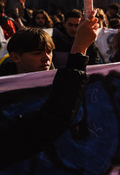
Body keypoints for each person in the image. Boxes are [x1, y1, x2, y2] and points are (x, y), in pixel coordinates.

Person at [0, 17, 98, 169]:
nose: (46, 58)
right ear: (15, 57)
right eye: (37, 53)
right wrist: (78, 49)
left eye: (49, 51)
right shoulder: (4, 95)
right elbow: (49, 121)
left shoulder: (60, 82)